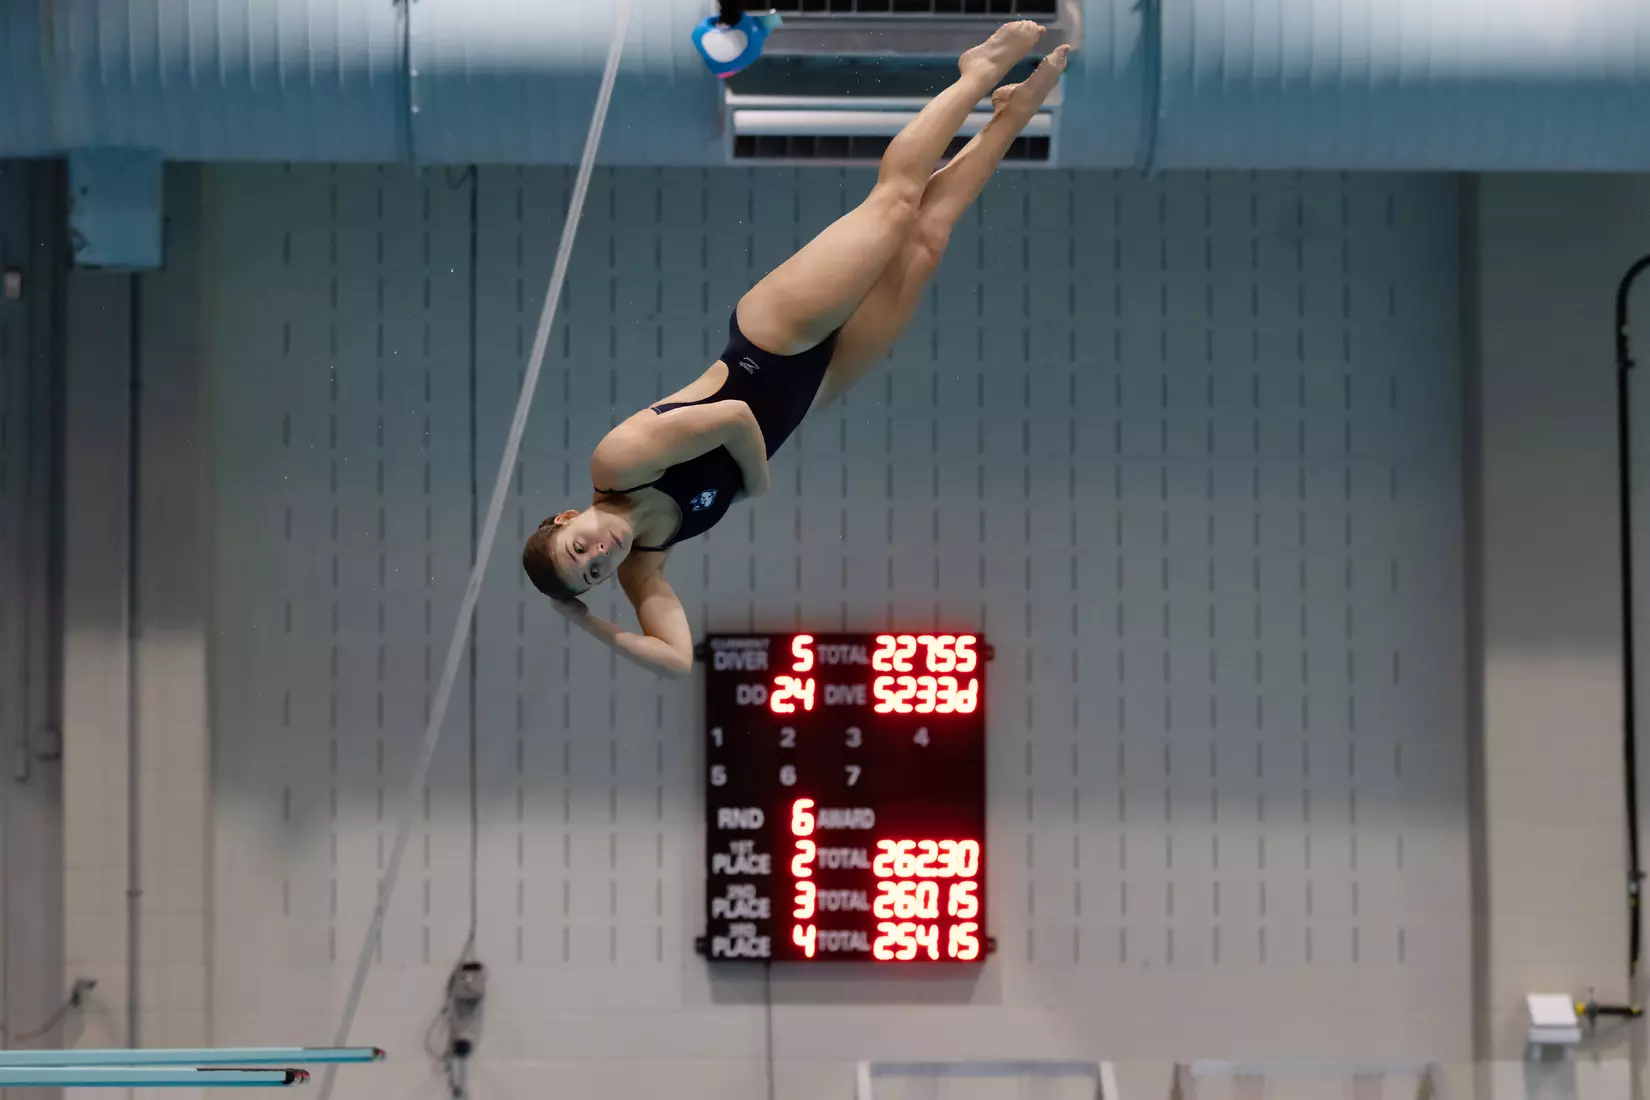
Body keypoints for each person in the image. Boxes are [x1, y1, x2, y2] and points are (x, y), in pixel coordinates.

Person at [522, 21, 1069, 677]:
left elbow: (735, 419)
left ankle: (978, 73)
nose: (598, 555)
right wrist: (591, 625)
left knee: (895, 206)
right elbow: (675, 661)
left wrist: (756, 483)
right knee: (927, 237)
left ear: (567, 515)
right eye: (592, 574)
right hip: (817, 383)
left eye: (578, 547)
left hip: (771, 339)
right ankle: (1010, 114)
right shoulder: (648, 561)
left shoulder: (617, 461)